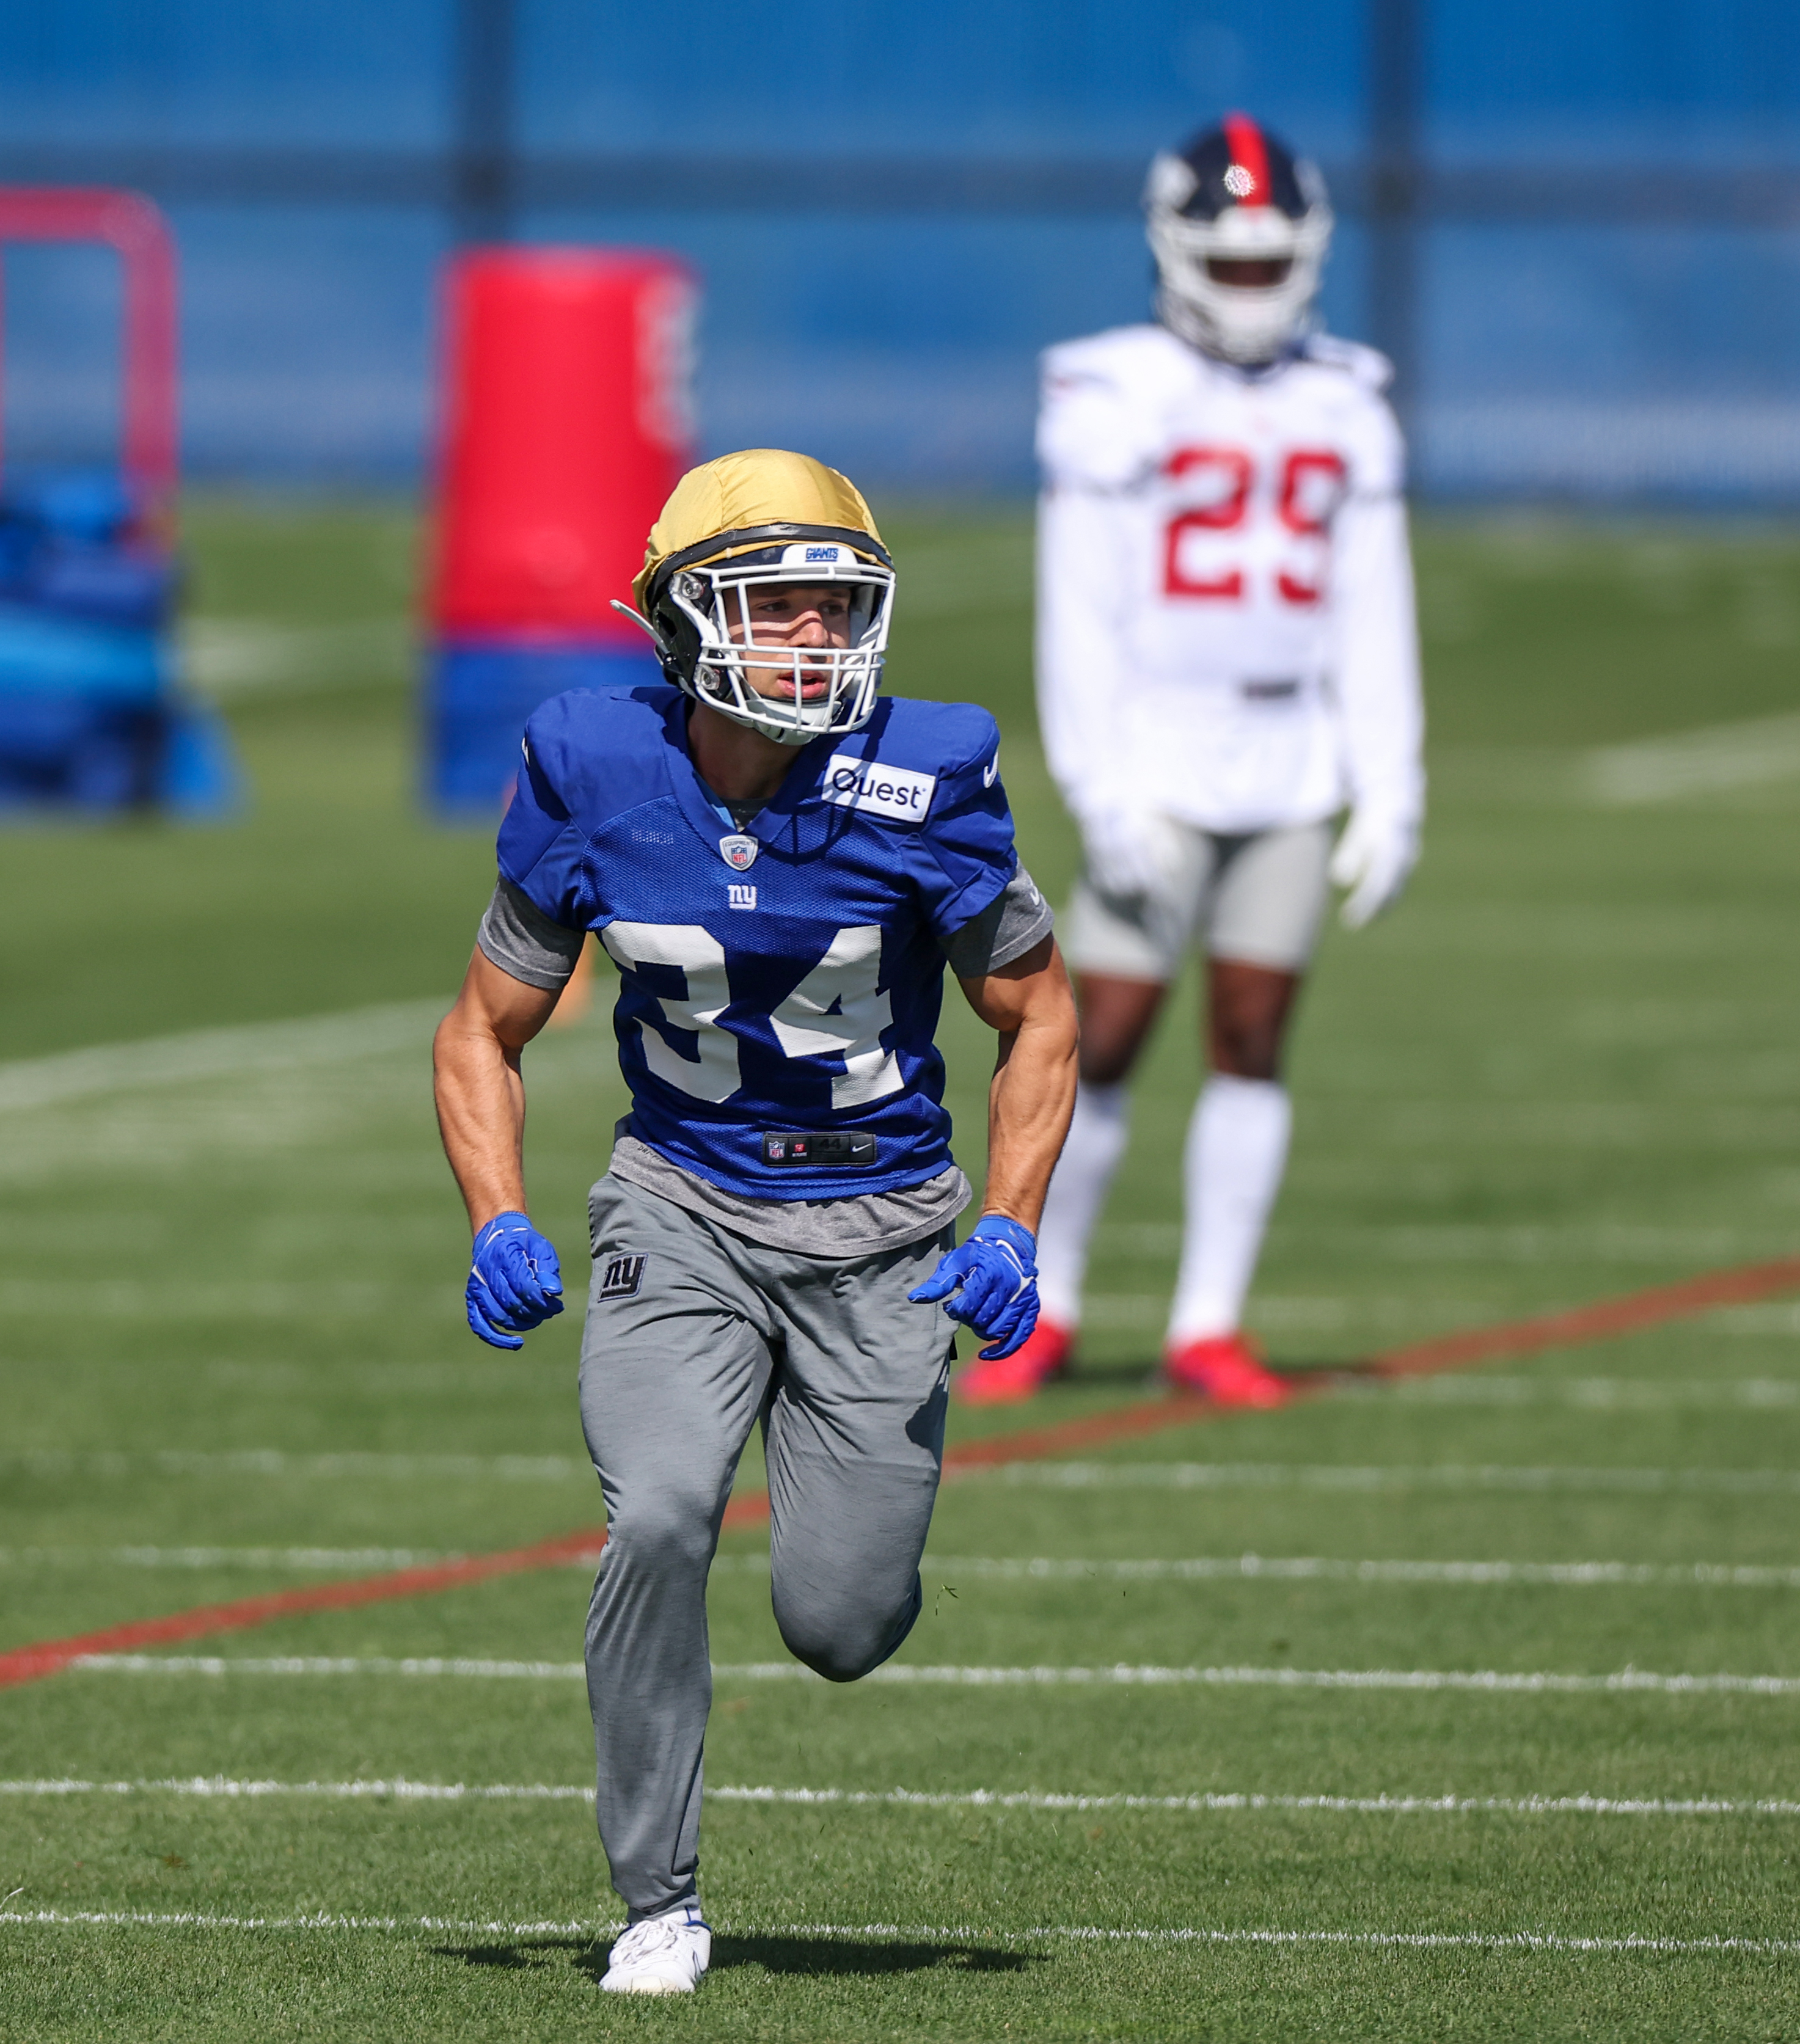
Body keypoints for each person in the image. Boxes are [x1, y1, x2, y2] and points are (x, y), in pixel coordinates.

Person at [432, 450, 1077, 1994]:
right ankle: (657, 1896)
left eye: (835, 605)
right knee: (656, 1512)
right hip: (683, 1204)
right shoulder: (590, 763)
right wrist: (496, 1216)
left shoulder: (928, 772)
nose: (813, 637)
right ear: (680, 619)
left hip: (882, 1224)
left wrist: (1006, 1228)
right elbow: (482, 1030)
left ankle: (861, 1498)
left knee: (840, 1621)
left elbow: (1038, 1016)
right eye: (774, 604)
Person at [959, 114, 1425, 1409]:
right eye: (1225, 263)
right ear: (1171, 252)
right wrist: (1098, 785)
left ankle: (1207, 1323)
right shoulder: (1113, 389)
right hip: (1158, 743)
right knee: (1099, 1030)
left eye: (1268, 262)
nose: (1248, 285)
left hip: (1289, 751)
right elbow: (1081, 604)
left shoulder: (1345, 393)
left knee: (1252, 1029)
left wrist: (1393, 779)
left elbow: (1371, 600)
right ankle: (1042, 1306)